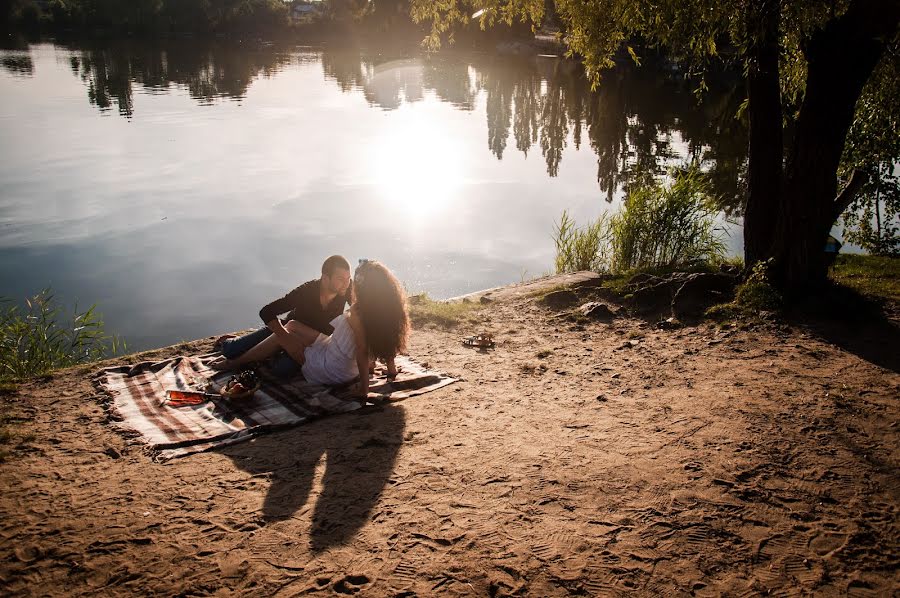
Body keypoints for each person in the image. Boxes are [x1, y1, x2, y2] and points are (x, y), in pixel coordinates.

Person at [211, 255, 352, 378]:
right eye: (340, 279)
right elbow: (266, 311)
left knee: (282, 370)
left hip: (312, 344)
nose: (346, 283)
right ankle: (243, 343)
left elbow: (362, 312)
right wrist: (284, 336)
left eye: (348, 278)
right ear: (325, 278)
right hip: (285, 330)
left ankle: (267, 352)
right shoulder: (306, 291)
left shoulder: (346, 289)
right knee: (230, 350)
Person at [283, 259, 409, 397]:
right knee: (292, 326)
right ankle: (260, 354)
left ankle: (257, 359)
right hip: (349, 367)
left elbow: (362, 350)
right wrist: (391, 370)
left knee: (286, 333)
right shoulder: (389, 310)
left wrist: (364, 389)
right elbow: (387, 339)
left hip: (333, 371)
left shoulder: (358, 311)